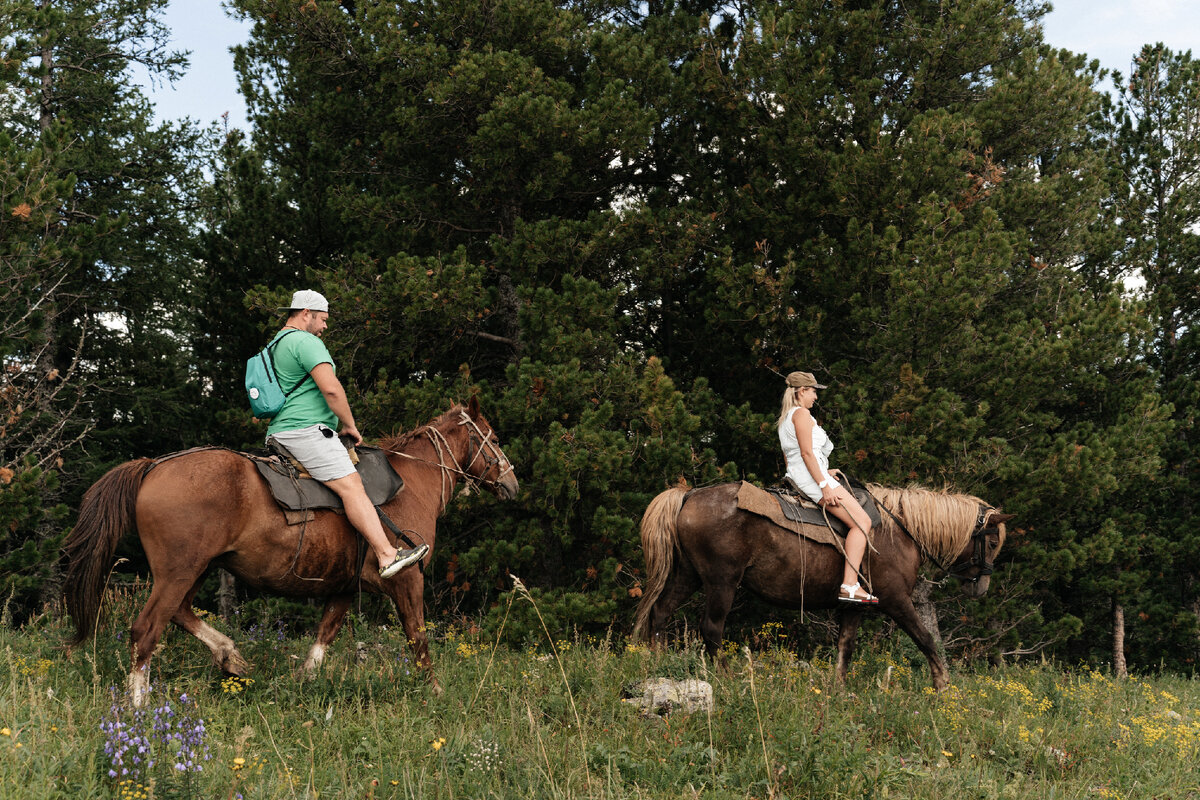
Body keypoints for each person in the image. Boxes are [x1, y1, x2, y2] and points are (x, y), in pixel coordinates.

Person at [264, 289, 428, 578]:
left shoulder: (275, 344)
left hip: (279, 432)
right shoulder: (305, 341)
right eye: (323, 319)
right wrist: (349, 425)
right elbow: (330, 389)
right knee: (352, 487)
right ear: (306, 313)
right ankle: (387, 554)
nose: (325, 327)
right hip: (305, 431)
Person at [777, 371, 878, 604]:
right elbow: (806, 452)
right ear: (802, 391)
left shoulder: (786, 418)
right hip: (813, 479)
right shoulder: (802, 414)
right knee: (862, 522)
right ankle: (850, 584)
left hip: (803, 474)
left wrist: (825, 469)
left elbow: (791, 457)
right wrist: (824, 485)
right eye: (813, 391)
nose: (816, 397)